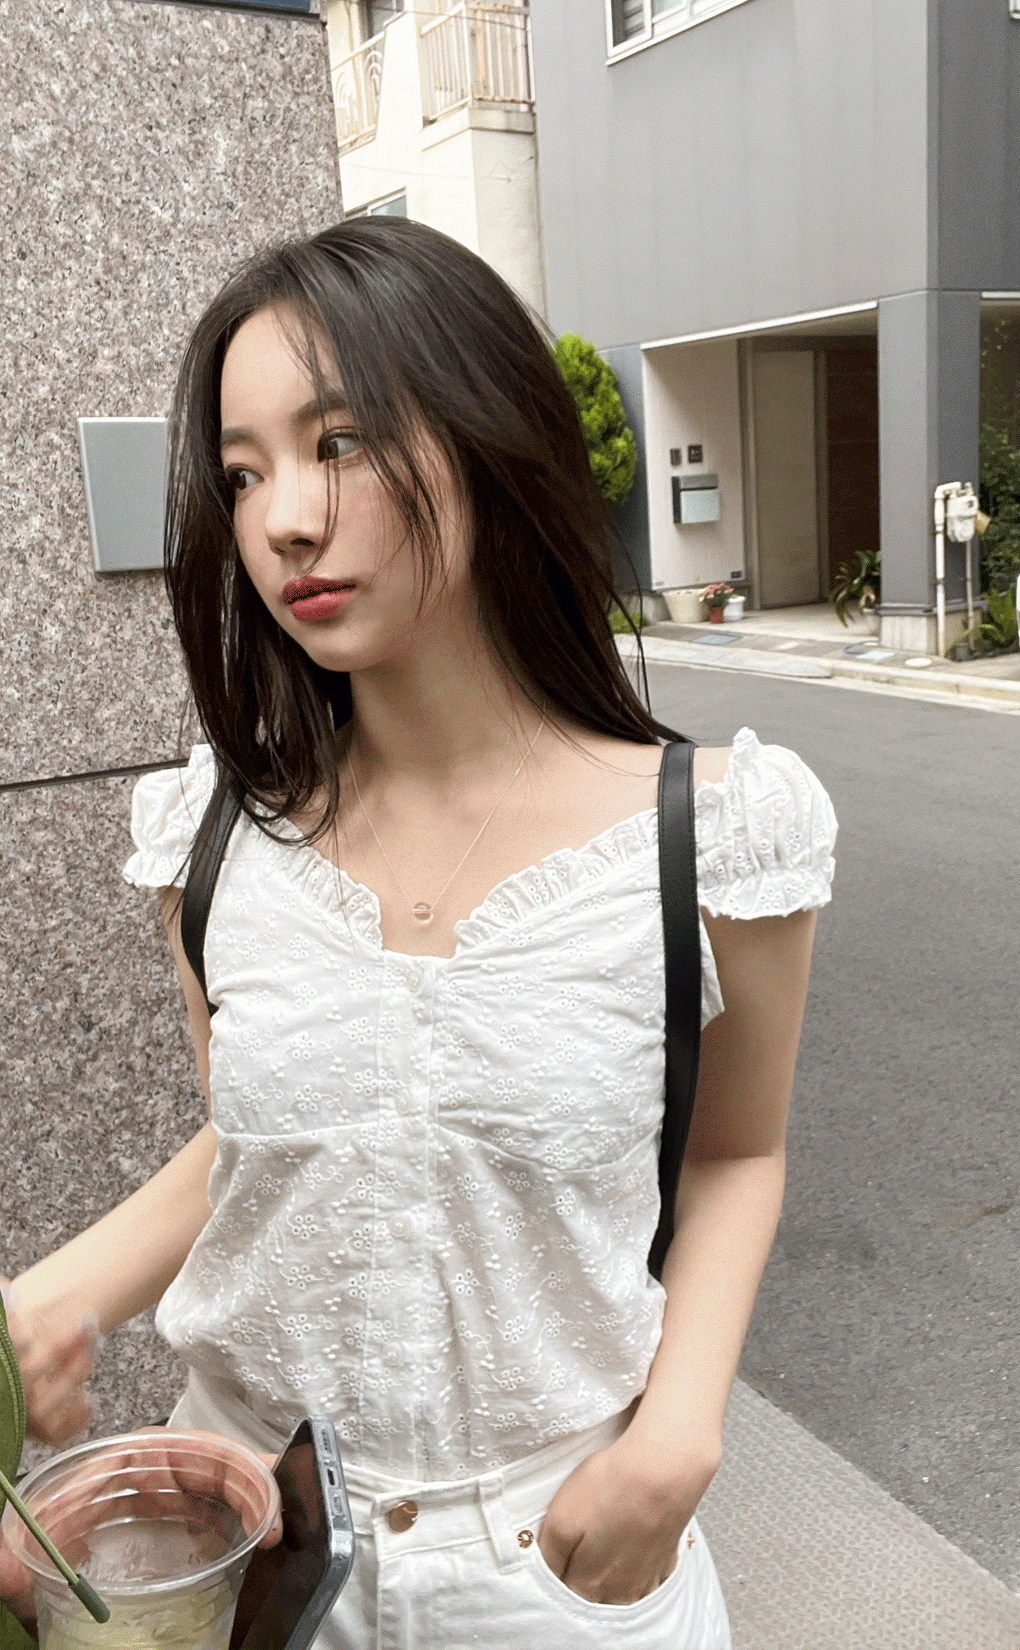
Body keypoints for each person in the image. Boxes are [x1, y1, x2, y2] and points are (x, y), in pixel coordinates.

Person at [1, 217, 836, 1648]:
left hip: (558, 1559)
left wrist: (679, 1430)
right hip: (251, 1551)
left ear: (486, 437)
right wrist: (53, 1300)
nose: (284, 519)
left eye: (339, 444)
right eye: (245, 472)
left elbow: (735, 1152)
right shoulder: (215, 836)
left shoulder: (713, 832)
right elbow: (264, 1135)